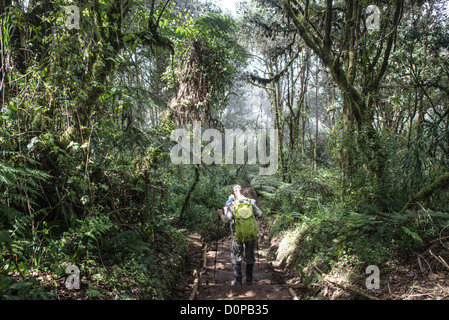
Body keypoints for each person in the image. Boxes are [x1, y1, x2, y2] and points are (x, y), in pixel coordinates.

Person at [217, 185, 262, 286]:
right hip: (250, 234)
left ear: (233, 193)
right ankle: (249, 279)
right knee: (250, 255)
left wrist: (220, 214)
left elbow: (226, 220)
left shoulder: (232, 205)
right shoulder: (251, 202)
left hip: (237, 235)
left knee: (236, 257)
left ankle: (238, 282)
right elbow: (260, 214)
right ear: (241, 191)